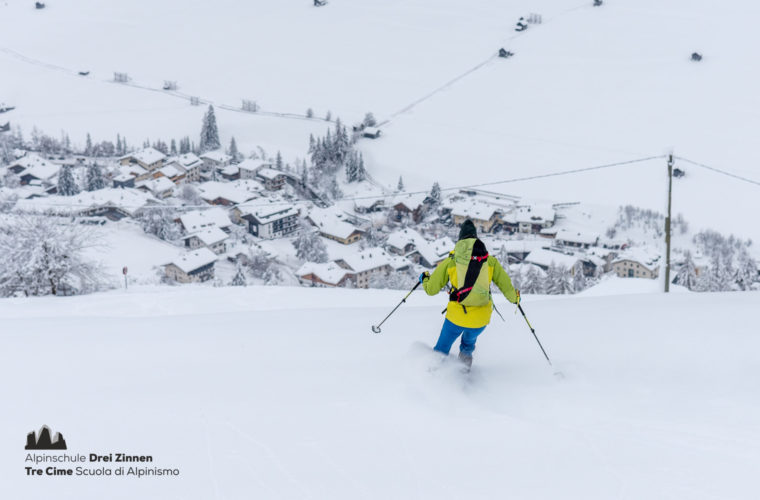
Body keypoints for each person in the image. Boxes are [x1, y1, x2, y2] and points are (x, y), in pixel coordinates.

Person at [419, 219, 520, 368]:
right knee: (467, 345)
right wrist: (515, 298)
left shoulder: (451, 261)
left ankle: (434, 376)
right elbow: (508, 290)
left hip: (456, 317)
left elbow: (431, 290)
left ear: (460, 240)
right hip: (480, 319)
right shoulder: (490, 261)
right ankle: (464, 373)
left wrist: (425, 279)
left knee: (441, 350)